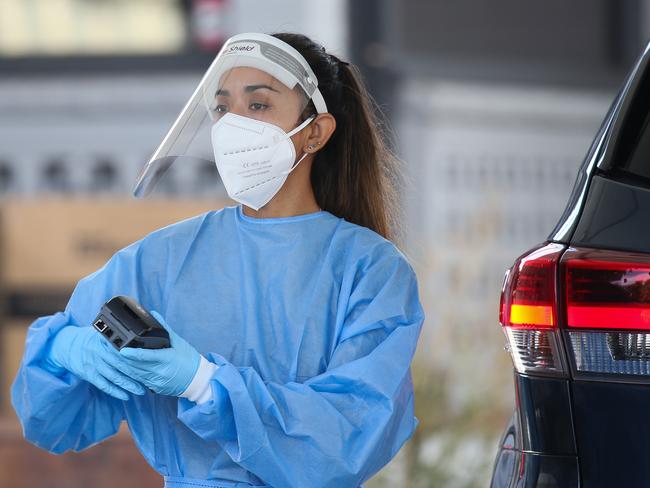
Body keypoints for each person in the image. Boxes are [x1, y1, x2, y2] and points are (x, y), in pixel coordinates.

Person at [12, 32, 424, 488]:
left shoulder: (371, 271)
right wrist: (64, 352)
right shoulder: (161, 257)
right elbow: (51, 421)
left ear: (315, 132)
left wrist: (202, 383)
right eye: (223, 108)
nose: (232, 126)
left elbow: (347, 438)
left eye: (259, 105)